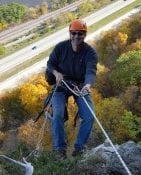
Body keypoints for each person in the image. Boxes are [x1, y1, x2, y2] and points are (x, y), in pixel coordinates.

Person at [46, 19, 98, 158]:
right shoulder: (60, 48)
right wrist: (56, 74)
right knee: (57, 115)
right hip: (61, 85)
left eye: (80, 34)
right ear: (70, 33)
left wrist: (88, 85)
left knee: (89, 116)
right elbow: (50, 64)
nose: (76, 36)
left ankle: (79, 148)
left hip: (80, 86)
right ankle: (60, 150)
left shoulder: (90, 53)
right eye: (74, 33)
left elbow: (91, 71)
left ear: (85, 35)